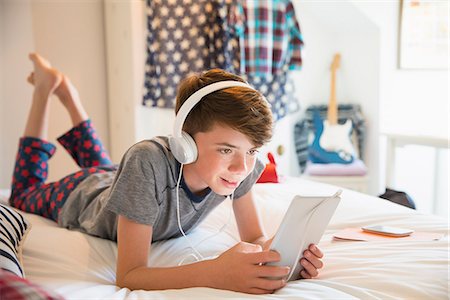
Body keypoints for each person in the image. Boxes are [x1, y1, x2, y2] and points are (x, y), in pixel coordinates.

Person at [10, 53, 324, 294]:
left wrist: (287, 255)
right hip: (82, 196)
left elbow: (254, 238)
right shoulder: (145, 161)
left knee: (103, 166)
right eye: (226, 150)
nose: (241, 168)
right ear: (185, 141)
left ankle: (69, 96)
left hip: (119, 180)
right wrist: (216, 272)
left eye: (252, 151)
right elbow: (129, 275)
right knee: (25, 193)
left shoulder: (243, 167)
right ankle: (44, 89)